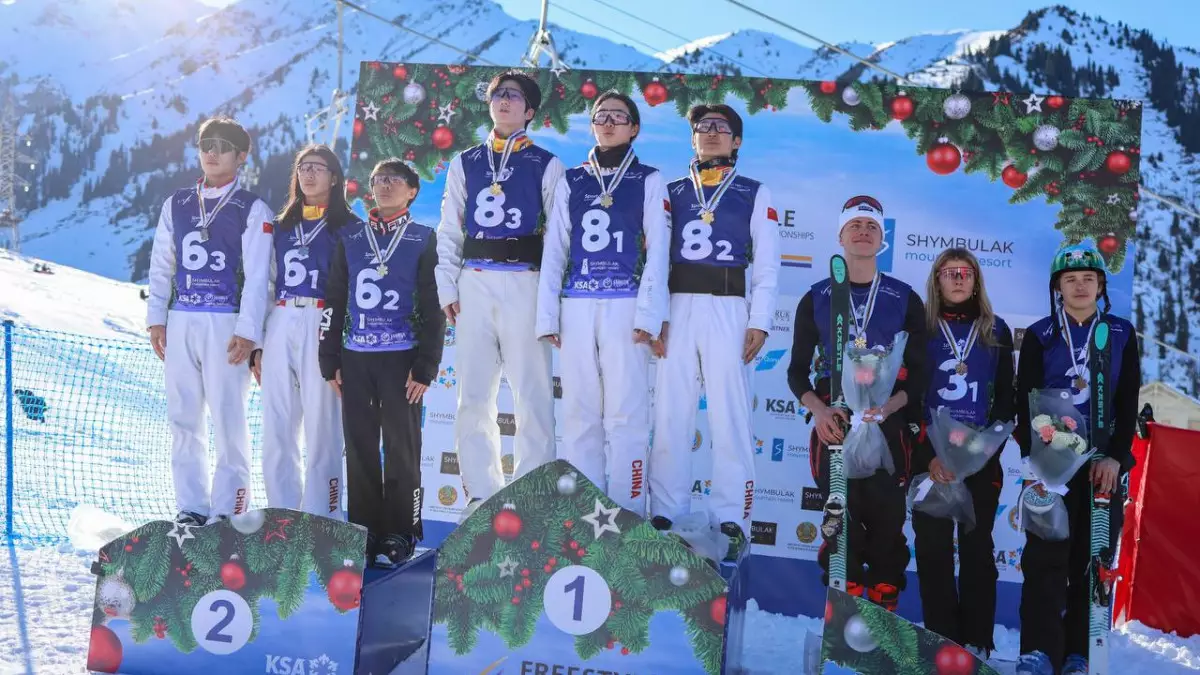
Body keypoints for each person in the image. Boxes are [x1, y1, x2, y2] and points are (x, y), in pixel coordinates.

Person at [647, 104, 780, 562]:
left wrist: (760, 320)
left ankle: (732, 520)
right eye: (703, 128)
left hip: (730, 308)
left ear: (737, 141)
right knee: (670, 412)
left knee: (731, 416)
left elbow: (766, 263)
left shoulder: (753, 192)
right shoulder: (672, 191)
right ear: (692, 139)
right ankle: (665, 513)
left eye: (721, 128)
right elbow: (657, 262)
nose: (711, 134)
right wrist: (655, 315)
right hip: (678, 307)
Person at [435, 70, 565, 521]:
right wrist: (447, 286)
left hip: (524, 279)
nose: (504, 102)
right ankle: (480, 497)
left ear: (530, 111)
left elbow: (560, 240)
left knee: (531, 393)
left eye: (514, 96)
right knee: (473, 394)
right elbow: (450, 228)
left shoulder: (547, 164)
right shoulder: (465, 161)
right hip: (474, 279)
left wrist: (549, 305)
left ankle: (531, 495)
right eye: (498, 95)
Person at [786, 195, 927, 611]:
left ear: (882, 240)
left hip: (888, 423)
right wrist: (819, 409)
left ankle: (884, 611)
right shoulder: (816, 297)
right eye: (856, 226)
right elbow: (796, 372)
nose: (863, 233)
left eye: (872, 228)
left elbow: (919, 373)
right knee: (837, 519)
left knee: (888, 524)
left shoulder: (904, 297)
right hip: (835, 421)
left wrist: (891, 407)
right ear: (841, 236)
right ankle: (840, 610)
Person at [535, 90, 669, 515]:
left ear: (633, 128)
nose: (608, 122)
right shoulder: (571, 180)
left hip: (625, 305)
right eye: (600, 116)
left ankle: (626, 515)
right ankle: (581, 516)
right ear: (592, 126)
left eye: (618, 116)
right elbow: (554, 249)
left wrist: (650, 314)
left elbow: (660, 250)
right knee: (577, 413)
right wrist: (547, 315)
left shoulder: (649, 178)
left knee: (626, 414)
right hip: (576, 304)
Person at [1014, 242, 1140, 675]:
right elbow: (1023, 402)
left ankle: (1079, 653)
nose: (1080, 286)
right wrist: (1040, 459)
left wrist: (1116, 458)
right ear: (1058, 288)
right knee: (1045, 561)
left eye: (1089, 278)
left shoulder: (1120, 332)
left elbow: (1127, 403)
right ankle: (1038, 651)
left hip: (1102, 468)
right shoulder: (1039, 335)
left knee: (1091, 560)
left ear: (1101, 285)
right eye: (1071, 280)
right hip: (1053, 467)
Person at [146, 116, 273, 526]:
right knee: (183, 417)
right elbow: (162, 264)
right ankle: (192, 506)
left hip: (226, 322)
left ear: (241, 155)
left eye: (222, 145)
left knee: (227, 415)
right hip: (183, 318)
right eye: (205, 144)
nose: (212, 152)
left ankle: (229, 508)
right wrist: (156, 319)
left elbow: (260, 275)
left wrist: (249, 331)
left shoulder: (252, 207)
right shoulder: (177, 203)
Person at [318, 159, 444, 567]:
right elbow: (335, 298)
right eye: (378, 180)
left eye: (394, 180)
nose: (384, 185)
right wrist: (329, 357)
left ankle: (401, 533)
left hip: (401, 357)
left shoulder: (424, 238)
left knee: (402, 447)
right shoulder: (351, 236)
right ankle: (365, 530)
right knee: (358, 447)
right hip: (356, 357)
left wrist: (426, 365)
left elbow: (433, 306)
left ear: (411, 191)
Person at [911, 248, 1014, 658]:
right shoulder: (921, 328)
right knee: (933, 550)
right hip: (930, 461)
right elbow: (908, 395)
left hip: (980, 460)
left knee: (976, 549)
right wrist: (926, 457)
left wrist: (980, 450)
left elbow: (1006, 401)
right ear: (937, 280)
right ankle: (941, 639)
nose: (957, 279)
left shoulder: (997, 330)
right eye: (949, 273)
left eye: (965, 273)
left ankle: (977, 642)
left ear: (976, 281)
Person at [251, 145, 352, 519]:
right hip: (281, 317)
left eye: (318, 168)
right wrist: (257, 344)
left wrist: (342, 346)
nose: (309, 175)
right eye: (303, 168)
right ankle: (281, 513)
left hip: (322, 318)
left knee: (323, 424)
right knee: (277, 423)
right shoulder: (281, 226)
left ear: (335, 177)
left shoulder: (349, 227)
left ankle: (324, 516)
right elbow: (266, 282)